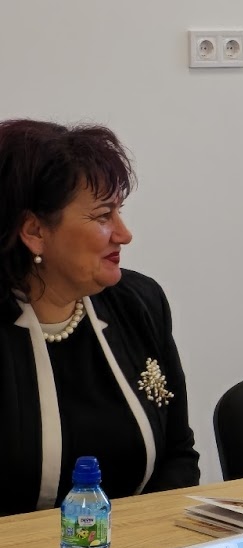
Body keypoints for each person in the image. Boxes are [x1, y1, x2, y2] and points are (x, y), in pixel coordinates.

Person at [0, 120, 199, 515]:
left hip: (135, 543)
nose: (124, 234)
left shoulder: (140, 304)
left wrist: (141, 537)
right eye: (103, 216)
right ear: (35, 231)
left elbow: (178, 455)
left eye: (119, 211)